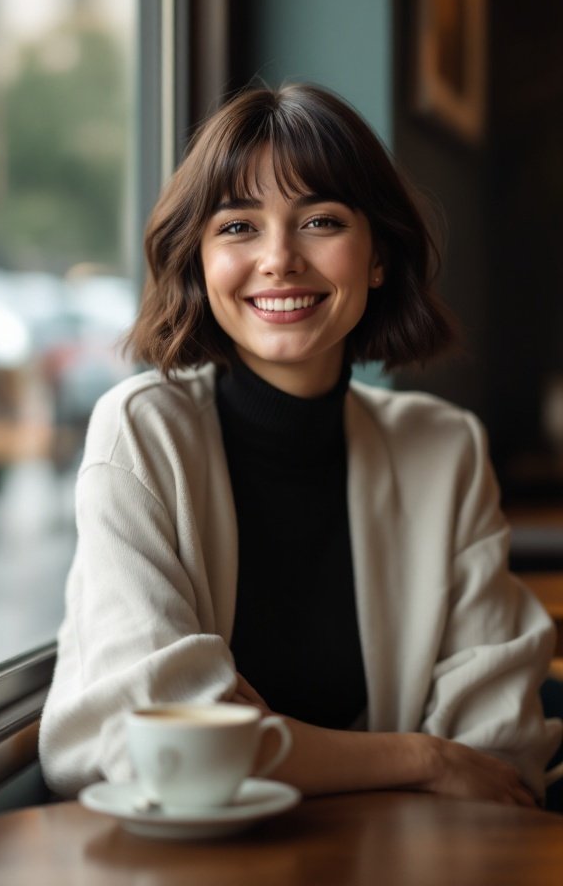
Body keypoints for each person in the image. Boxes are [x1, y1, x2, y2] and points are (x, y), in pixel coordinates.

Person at [39, 83, 561, 806]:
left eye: (319, 220)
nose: (280, 259)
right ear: (198, 261)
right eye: (238, 227)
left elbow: (500, 751)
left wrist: (256, 734)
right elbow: (161, 744)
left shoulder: (445, 450)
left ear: (378, 257)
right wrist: (421, 757)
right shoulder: (141, 432)